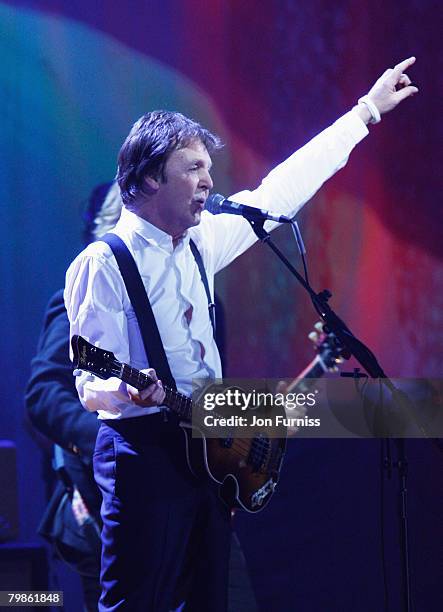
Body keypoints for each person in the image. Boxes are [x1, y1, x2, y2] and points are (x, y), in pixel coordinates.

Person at [64, 58, 418, 611]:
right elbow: (89, 377)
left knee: (211, 600)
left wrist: (365, 113)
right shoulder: (105, 262)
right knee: (137, 602)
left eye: (209, 168)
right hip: (144, 455)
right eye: (194, 168)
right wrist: (125, 392)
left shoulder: (203, 242)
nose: (210, 181)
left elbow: (281, 189)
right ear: (151, 177)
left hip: (209, 445)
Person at [25, 182, 122, 611]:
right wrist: (105, 442)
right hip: (106, 507)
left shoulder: (194, 298)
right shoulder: (79, 298)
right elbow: (44, 393)